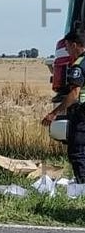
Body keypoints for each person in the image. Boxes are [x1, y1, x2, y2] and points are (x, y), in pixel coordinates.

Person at [43, 30, 85, 183]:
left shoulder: (79, 65)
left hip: (81, 112)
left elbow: (74, 94)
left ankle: (82, 186)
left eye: (67, 47)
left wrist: (54, 113)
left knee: (77, 151)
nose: (66, 50)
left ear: (75, 45)